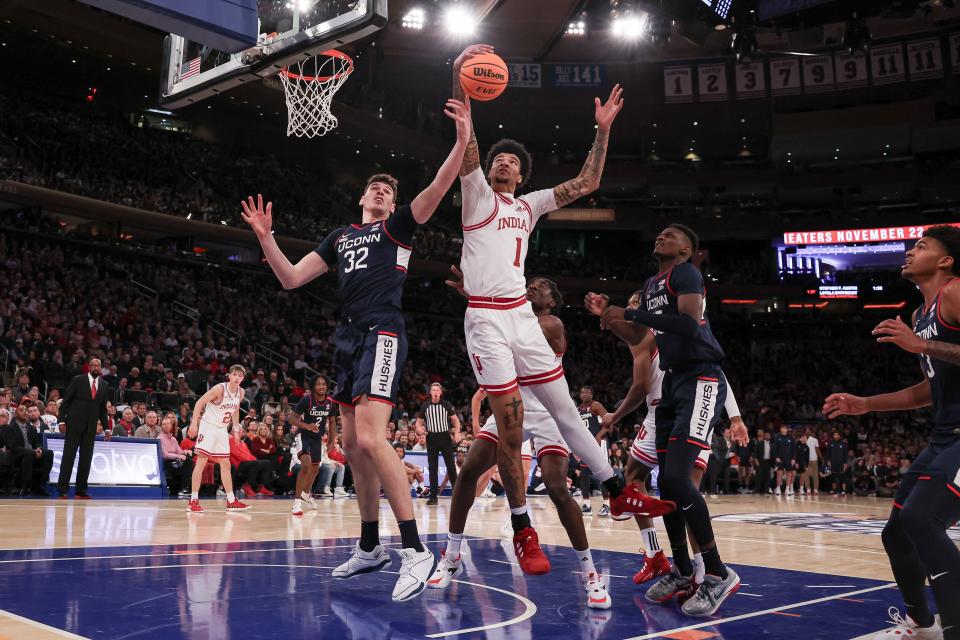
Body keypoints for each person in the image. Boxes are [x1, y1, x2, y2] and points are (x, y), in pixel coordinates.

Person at [241, 97, 473, 602]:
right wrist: (266, 238)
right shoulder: (340, 237)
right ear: (363, 197)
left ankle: (415, 549)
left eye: (389, 190)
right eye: (376, 186)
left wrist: (460, 142)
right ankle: (371, 546)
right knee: (352, 446)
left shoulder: (399, 228)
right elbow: (291, 278)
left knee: (371, 439)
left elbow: (436, 189)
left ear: (393, 204)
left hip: (382, 331)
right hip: (347, 338)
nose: (381, 191)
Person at [452, 44, 656, 574]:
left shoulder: (529, 205)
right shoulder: (476, 195)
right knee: (510, 426)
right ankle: (523, 529)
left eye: (514, 161)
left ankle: (615, 491)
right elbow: (468, 145)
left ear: (521, 176)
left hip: (520, 313)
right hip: (485, 319)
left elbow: (587, 183)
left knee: (565, 411)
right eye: (500, 158)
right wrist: (460, 81)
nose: (504, 162)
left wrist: (603, 129)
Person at [586, 224, 748, 617]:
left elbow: (690, 325)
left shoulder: (686, 273)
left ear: (687, 248)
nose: (661, 235)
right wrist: (611, 315)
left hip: (701, 376)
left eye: (671, 234)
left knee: (677, 480)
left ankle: (716, 571)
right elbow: (639, 334)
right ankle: (680, 568)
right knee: (667, 488)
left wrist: (629, 312)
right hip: (673, 385)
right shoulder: (653, 282)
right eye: (658, 232)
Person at [429, 275, 618, 608]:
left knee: (558, 487)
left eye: (542, 285)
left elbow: (504, 327)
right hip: (510, 407)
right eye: (529, 283)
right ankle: (452, 553)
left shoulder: (551, 323)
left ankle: (591, 574)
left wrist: (482, 297)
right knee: (470, 469)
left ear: (552, 300)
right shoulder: (514, 316)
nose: (532, 286)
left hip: (548, 411)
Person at [824, 225, 960, 640]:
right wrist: (866, 404)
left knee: (922, 519)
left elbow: (934, 354)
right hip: (944, 434)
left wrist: (922, 347)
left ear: (945, 260)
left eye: (921, 246)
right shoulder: (920, 315)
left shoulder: (955, 293)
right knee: (897, 533)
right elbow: (927, 390)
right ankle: (922, 624)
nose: (909, 251)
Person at [599, 289, 743, 587]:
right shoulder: (651, 334)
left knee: (683, 491)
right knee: (639, 480)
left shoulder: (666, 330)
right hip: (664, 413)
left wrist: (737, 416)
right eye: (629, 305)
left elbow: (713, 371)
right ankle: (663, 558)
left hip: (687, 408)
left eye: (635, 305)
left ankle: (702, 568)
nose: (631, 309)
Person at [185, 365, 251, 513]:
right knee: (201, 461)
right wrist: (194, 423)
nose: (237, 377)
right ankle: (193, 500)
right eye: (234, 374)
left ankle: (231, 500)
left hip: (221, 429)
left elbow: (234, 411)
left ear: (242, 378)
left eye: (240, 376)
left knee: (226, 464)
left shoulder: (241, 392)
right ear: (229, 375)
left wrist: (235, 429)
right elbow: (199, 403)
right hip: (208, 426)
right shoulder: (219, 389)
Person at [56, 357, 110, 499]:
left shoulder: (104, 385)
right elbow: (65, 402)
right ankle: (62, 489)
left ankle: (81, 489)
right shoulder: (78, 380)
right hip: (73, 425)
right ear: (89, 367)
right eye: (93, 365)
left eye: (98, 365)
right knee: (69, 457)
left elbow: (102, 410)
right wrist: (61, 421)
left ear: (101, 368)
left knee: (86, 459)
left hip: (91, 427)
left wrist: (107, 428)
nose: (95, 367)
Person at [288, 374, 337, 514]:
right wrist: (306, 426)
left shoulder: (330, 403)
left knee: (315, 469)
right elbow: (291, 418)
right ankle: (296, 503)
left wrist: (332, 441)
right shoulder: (307, 400)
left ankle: (305, 493)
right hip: (303, 436)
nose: (321, 386)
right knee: (306, 465)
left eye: (323, 384)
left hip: (317, 439)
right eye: (318, 384)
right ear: (313, 387)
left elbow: (333, 422)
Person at [416, 383, 461, 505]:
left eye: (437, 390)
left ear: (440, 393)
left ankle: (457, 495)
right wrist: (419, 429)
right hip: (431, 438)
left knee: (451, 467)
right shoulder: (425, 406)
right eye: (433, 390)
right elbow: (418, 422)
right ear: (430, 393)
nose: (435, 392)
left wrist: (457, 432)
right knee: (432, 468)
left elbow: (456, 420)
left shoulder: (446, 404)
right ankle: (433, 497)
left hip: (445, 437)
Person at [0, 404, 53, 496]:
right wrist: (32, 452)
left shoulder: (32, 428)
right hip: (16, 456)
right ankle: (25, 486)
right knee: (28, 453)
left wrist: (39, 449)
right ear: (15, 415)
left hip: (31, 454)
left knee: (49, 453)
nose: (25, 411)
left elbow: (37, 442)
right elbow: (13, 446)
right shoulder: (9, 428)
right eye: (21, 410)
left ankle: (40, 485)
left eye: (26, 410)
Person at [576, 386, 609, 516]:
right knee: (584, 474)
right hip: (586, 445)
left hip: (600, 443)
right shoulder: (578, 410)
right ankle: (586, 505)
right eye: (582, 392)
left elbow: (610, 423)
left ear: (592, 394)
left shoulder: (596, 406)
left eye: (587, 392)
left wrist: (599, 435)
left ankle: (607, 504)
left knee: (603, 474)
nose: (584, 394)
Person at [229, 425, 274, 497]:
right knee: (256, 463)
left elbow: (250, 455)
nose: (242, 432)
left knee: (266, 462)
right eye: (240, 431)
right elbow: (238, 455)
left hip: (247, 462)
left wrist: (256, 461)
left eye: (242, 431)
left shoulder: (243, 442)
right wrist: (254, 461)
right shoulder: (231, 440)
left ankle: (261, 486)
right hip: (238, 464)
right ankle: (247, 486)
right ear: (233, 432)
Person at [159, 414, 187, 496]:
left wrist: (186, 451)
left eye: (168, 424)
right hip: (167, 462)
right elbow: (166, 455)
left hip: (175, 461)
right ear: (161, 426)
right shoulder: (160, 438)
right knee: (186, 464)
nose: (166, 426)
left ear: (171, 425)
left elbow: (179, 451)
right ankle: (183, 487)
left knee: (189, 460)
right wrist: (179, 456)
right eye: (164, 424)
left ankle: (183, 487)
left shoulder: (173, 439)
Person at [772, 424, 796, 496]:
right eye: (782, 428)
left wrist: (793, 459)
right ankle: (778, 489)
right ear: (780, 429)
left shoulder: (791, 438)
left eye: (785, 428)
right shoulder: (777, 437)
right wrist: (776, 457)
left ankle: (787, 489)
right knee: (779, 474)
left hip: (789, 459)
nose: (784, 429)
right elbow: (774, 448)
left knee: (789, 474)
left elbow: (793, 449)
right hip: (780, 459)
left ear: (787, 429)